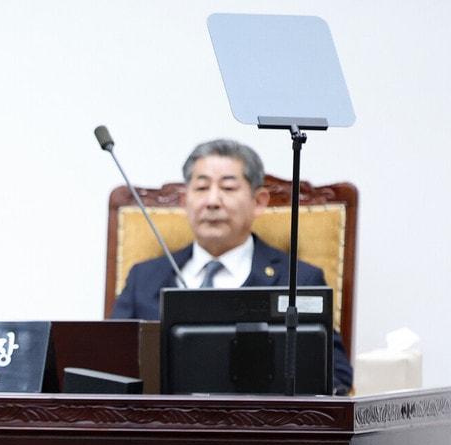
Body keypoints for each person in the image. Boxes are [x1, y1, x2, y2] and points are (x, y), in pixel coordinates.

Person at [109, 138, 353, 393]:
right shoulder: (144, 278)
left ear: (259, 201)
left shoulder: (298, 279)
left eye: (228, 188)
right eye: (201, 188)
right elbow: (110, 367)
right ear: (184, 201)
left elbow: (335, 377)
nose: (213, 201)